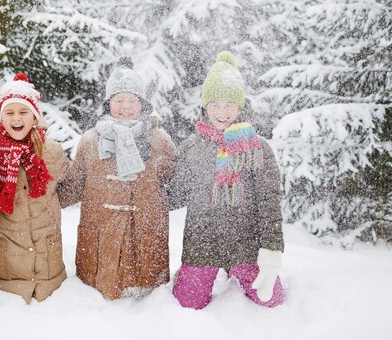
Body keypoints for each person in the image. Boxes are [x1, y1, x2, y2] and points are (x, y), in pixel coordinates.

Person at [168, 51, 285, 309]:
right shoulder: (192, 147)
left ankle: (237, 270)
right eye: (215, 105)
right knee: (187, 304)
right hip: (202, 245)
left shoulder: (257, 147)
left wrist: (270, 253)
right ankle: (189, 274)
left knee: (272, 299)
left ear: (240, 106)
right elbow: (174, 195)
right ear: (205, 107)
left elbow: (269, 201)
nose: (222, 113)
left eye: (229, 105)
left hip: (246, 246)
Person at [57, 57, 177, 300]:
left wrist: (153, 207)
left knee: (149, 301)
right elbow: (73, 186)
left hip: (145, 240)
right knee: (98, 300)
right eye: (119, 100)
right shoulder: (90, 141)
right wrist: (41, 197)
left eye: (132, 100)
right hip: (101, 242)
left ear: (142, 105)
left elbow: (178, 183)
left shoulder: (159, 141)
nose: (125, 107)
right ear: (107, 104)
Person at [0, 73, 70, 303]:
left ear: (34, 116)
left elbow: (71, 188)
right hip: (4, 279)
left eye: (23, 112)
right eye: (9, 113)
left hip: (50, 278)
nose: (16, 119)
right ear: (1, 118)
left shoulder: (52, 152)